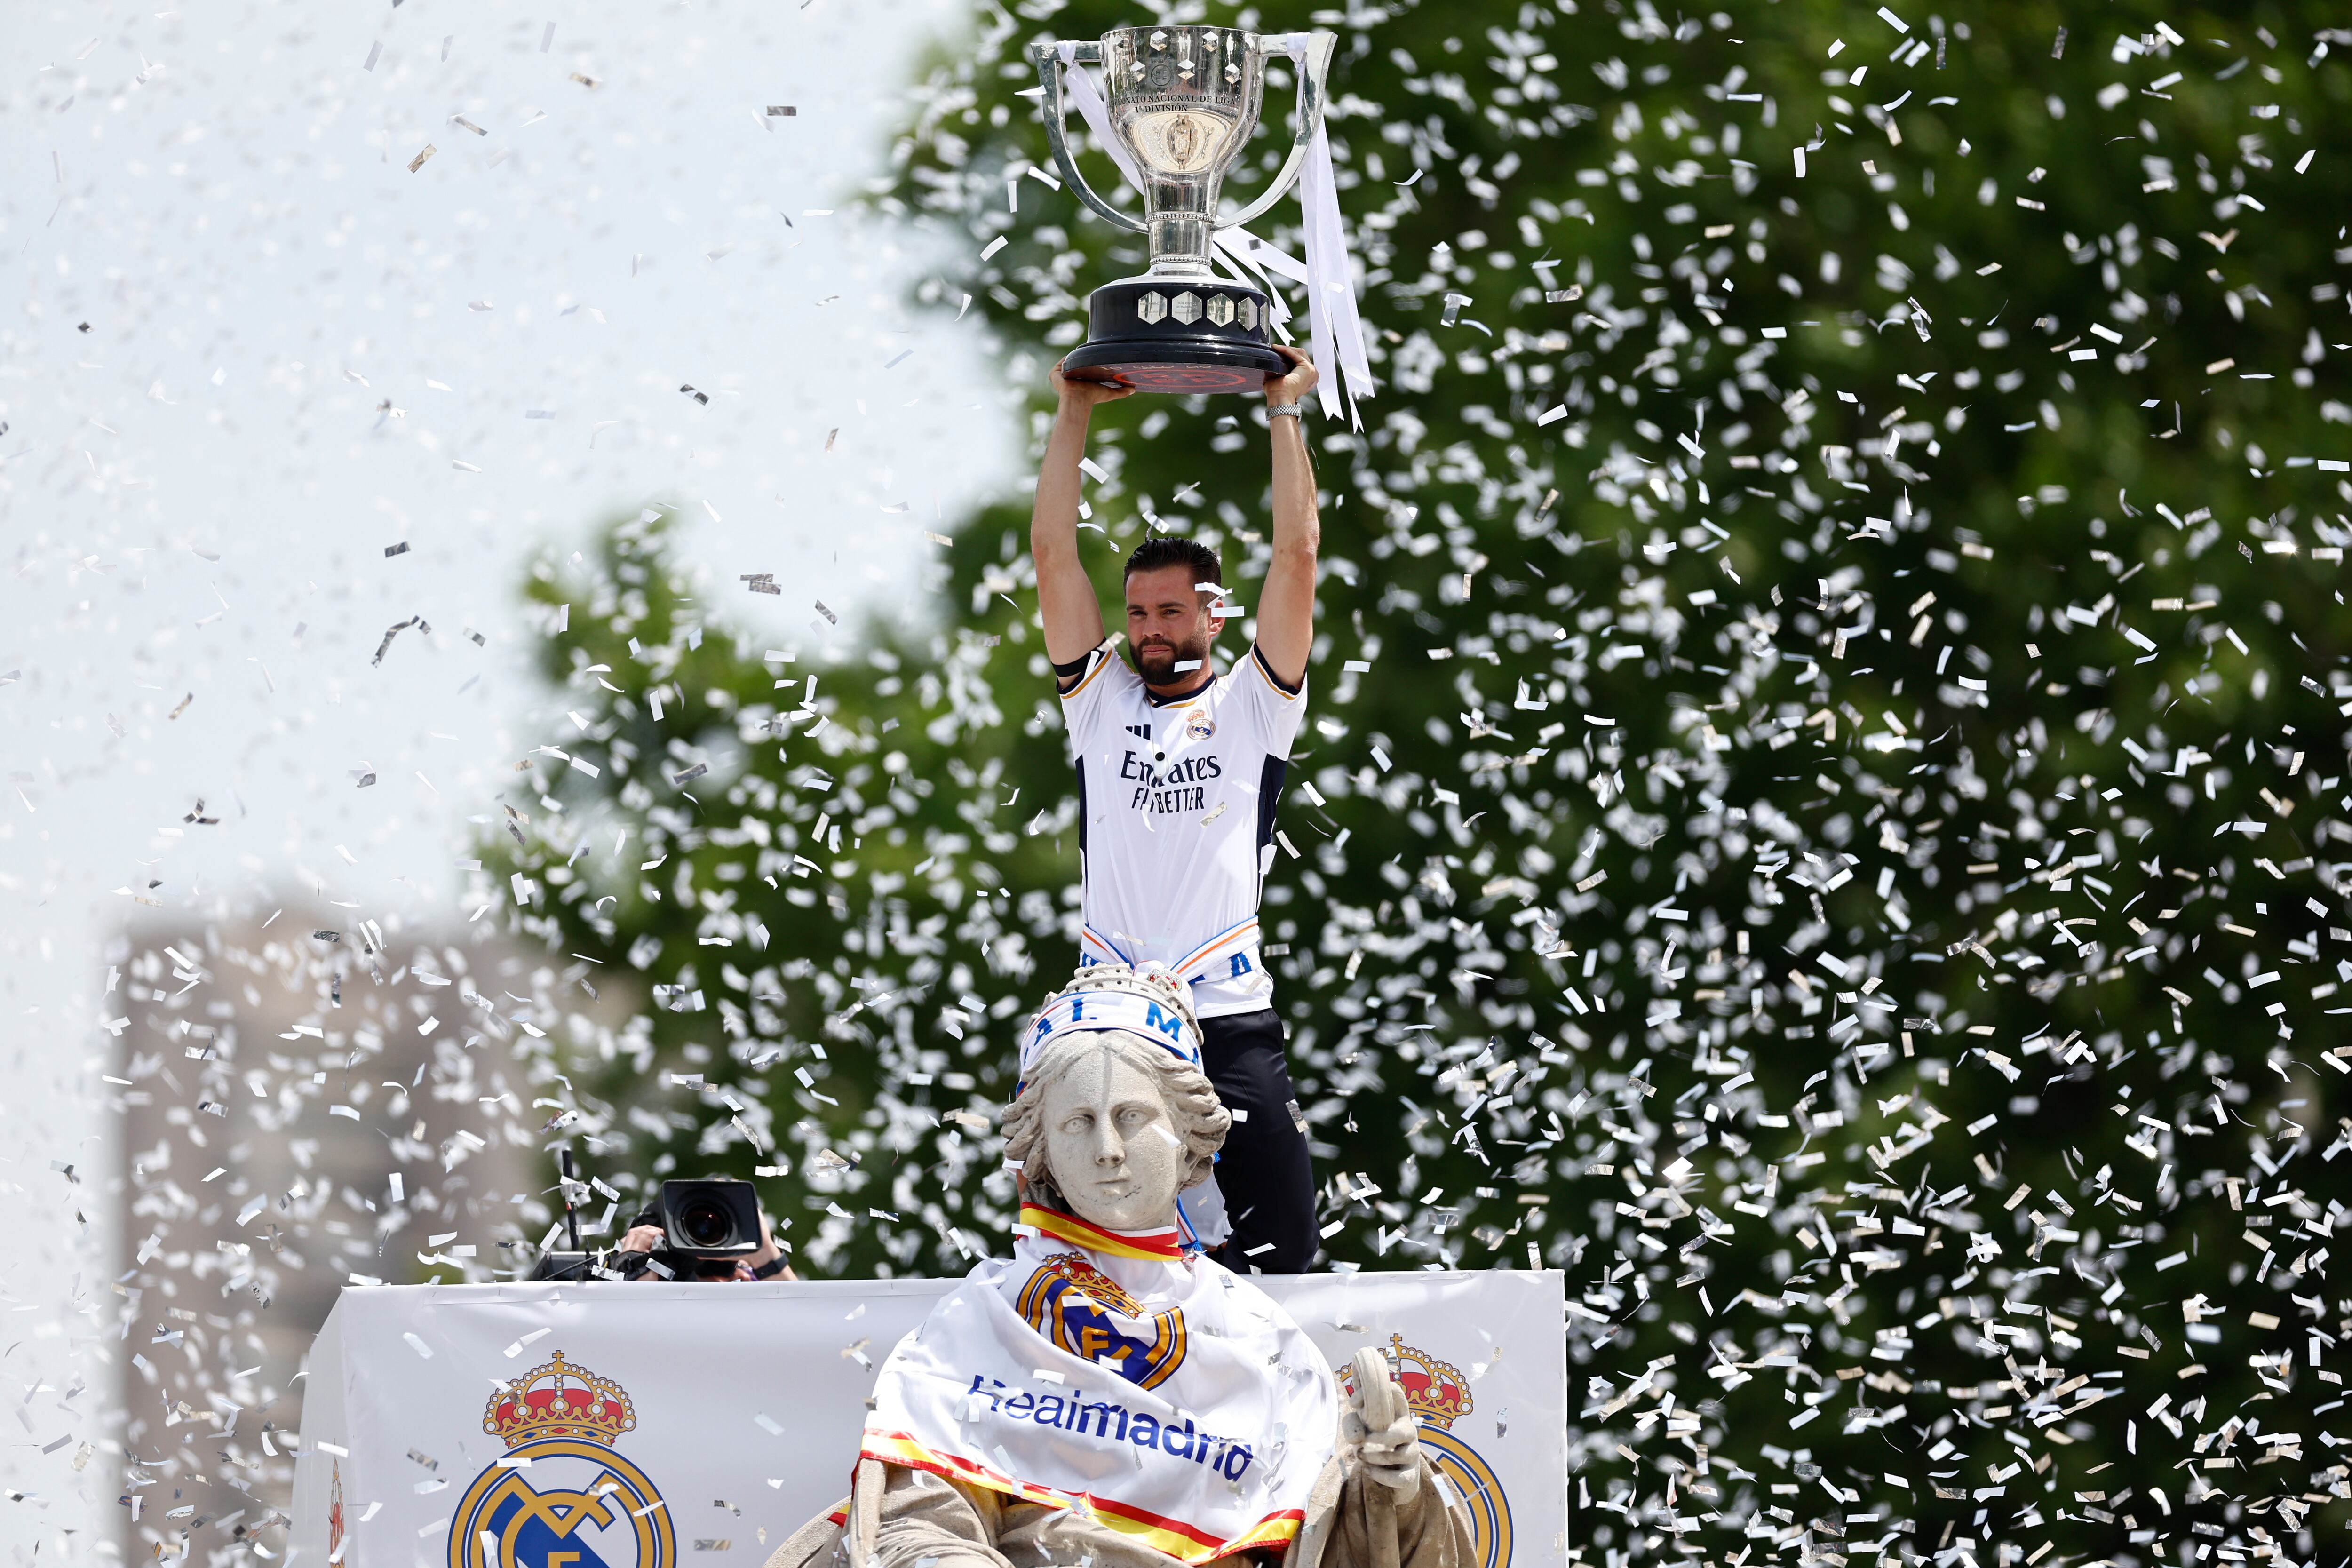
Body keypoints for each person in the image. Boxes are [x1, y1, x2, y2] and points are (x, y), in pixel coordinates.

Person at [762, 964, 1473, 1568]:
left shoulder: (1261, 1334)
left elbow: (1333, 1547)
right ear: (1040, 1147)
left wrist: (1394, 1492)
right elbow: (918, 1523)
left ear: (1190, 1131)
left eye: (1132, 1116)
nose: (1108, 1149)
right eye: (1078, 1122)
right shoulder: (984, 1319)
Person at [1031, 345, 1323, 1274]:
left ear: (1213, 613)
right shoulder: (1100, 698)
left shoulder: (1252, 702)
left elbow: (1298, 553)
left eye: (1170, 610)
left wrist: (1283, 412)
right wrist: (1073, 411)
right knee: (1090, 1259)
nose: (1151, 629)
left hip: (1229, 1012)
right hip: (1108, 1016)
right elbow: (1050, 554)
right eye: (1139, 612)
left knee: (1283, 1254)